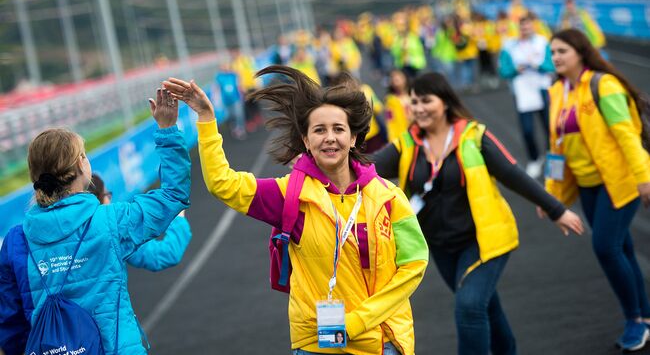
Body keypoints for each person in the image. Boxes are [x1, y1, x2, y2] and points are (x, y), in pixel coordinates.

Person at [162, 65, 429, 355]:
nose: (329, 137)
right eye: (319, 130)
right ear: (306, 141)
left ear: (353, 138)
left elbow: (414, 264)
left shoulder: (389, 198)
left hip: (383, 341)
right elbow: (222, 184)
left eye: (339, 129)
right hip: (316, 345)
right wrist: (206, 118)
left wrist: (359, 320)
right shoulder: (290, 194)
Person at [372, 72, 584, 355]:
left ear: (445, 102)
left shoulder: (474, 136)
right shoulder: (406, 143)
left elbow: (512, 173)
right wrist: (324, 157)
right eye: (414, 102)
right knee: (486, 306)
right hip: (440, 245)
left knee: (469, 306)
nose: (419, 108)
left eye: (426, 100)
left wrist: (556, 209)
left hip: (485, 240)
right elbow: (366, 170)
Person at [0, 88, 191, 354]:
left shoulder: (15, 242)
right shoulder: (110, 221)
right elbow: (173, 194)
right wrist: (167, 129)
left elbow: (10, 324)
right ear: (81, 165)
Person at [547, 28, 650, 352]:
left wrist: (644, 177)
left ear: (580, 51)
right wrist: (551, 193)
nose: (556, 57)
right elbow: (556, 147)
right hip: (588, 188)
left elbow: (626, 135)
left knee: (606, 248)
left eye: (562, 51)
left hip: (618, 182)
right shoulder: (557, 92)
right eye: (553, 53)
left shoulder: (603, 85)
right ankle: (645, 317)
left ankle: (634, 319)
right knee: (623, 249)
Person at [88, 173, 192, 272]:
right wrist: (178, 217)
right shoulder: (116, 233)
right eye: (107, 195)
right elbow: (167, 254)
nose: (110, 201)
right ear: (100, 200)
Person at [499, 12, 555, 178]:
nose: (525, 29)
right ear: (519, 28)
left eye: (528, 25)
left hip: (542, 89)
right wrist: (516, 70)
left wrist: (538, 65)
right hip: (522, 92)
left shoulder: (543, 42)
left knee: (550, 127)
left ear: (534, 25)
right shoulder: (509, 46)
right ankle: (534, 158)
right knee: (527, 130)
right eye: (522, 26)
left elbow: (551, 65)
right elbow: (503, 70)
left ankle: (553, 159)